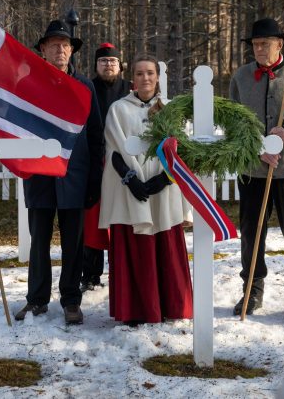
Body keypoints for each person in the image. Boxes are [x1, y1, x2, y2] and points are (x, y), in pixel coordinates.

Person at [15, 19, 104, 325]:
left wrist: (93, 179)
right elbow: (16, 128)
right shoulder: (29, 84)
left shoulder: (84, 86)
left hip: (74, 176)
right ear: (42, 49)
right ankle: (37, 299)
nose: (61, 50)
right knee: (38, 240)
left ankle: (71, 300)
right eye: (54, 45)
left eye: (65, 45)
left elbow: (95, 136)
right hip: (39, 175)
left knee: (73, 243)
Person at [229, 17, 284, 321]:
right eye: (255, 44)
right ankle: (252, 289)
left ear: (280, 44)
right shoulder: (241, 77)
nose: (259, 49)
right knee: (251, 232)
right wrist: (257, 148)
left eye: (265, 43)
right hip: (253, 169)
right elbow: (234, 122)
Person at [99, 53, 193, 324]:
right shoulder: (119, 109)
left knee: (165, 242)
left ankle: (170, 305)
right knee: (135, 246)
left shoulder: (170, 109)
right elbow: (114, 148)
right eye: (140, 73)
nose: (145, 78)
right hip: (130, 188)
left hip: (163, 187)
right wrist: (131, 179)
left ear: (157, 77)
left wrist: (164, 179)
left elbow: (181, 149)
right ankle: (136, 309)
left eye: (150, 73)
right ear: (133, 79)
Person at [81, 42, 132, 292]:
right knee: (92, 219)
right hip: (94, 160)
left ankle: (120, 270)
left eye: (112, 61)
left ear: (120, 65)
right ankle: (90, 275)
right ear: (96, 65)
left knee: (121, 216)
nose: (108, 65)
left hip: (124, 160)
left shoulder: (130, 90)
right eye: (103, 61)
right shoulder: (86, 87)